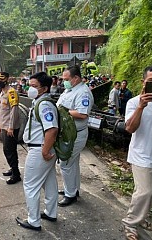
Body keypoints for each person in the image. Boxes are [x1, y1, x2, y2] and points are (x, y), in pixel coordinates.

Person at [16, 71, 59, 231]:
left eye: (34, 86)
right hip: (43, 147)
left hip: (40, 149)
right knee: (49, 183)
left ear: (44, 88)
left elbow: (52, 130)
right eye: (29, 85)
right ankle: (50, 212)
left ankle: (34, 221)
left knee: (30, 185)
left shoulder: (44, 104)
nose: (30, 88)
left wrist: (45, 151)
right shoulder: (40, 102)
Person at [122, 65, 152, 240]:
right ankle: (130, 222)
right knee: (145, 192)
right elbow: (130, 128)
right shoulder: (134, 102)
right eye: (151, 82)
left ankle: (141, 219)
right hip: (141, 156)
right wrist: (141, 107)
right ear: (143, 82)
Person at [56, 65, 94, 206]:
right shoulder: (69, 90)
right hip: (69, 133)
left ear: (76, 78)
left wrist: (62, 111)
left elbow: (82, 114)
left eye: (66, 79)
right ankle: (73, 189)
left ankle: (70, 194)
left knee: (66, 163)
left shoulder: (83, 93)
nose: (63, 81)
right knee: (73, 164)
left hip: (76, 134)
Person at [0, 71, 21, 184]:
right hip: (4, 126)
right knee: (8, 150)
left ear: (6, 80)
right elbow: (1, 111)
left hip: (11, 127)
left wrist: (11, 127)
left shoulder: (11, 92)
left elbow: (14, 111)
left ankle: (16, 175)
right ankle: (13, 168)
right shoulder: (2, 93)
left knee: (9, 150)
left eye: (1, 80)